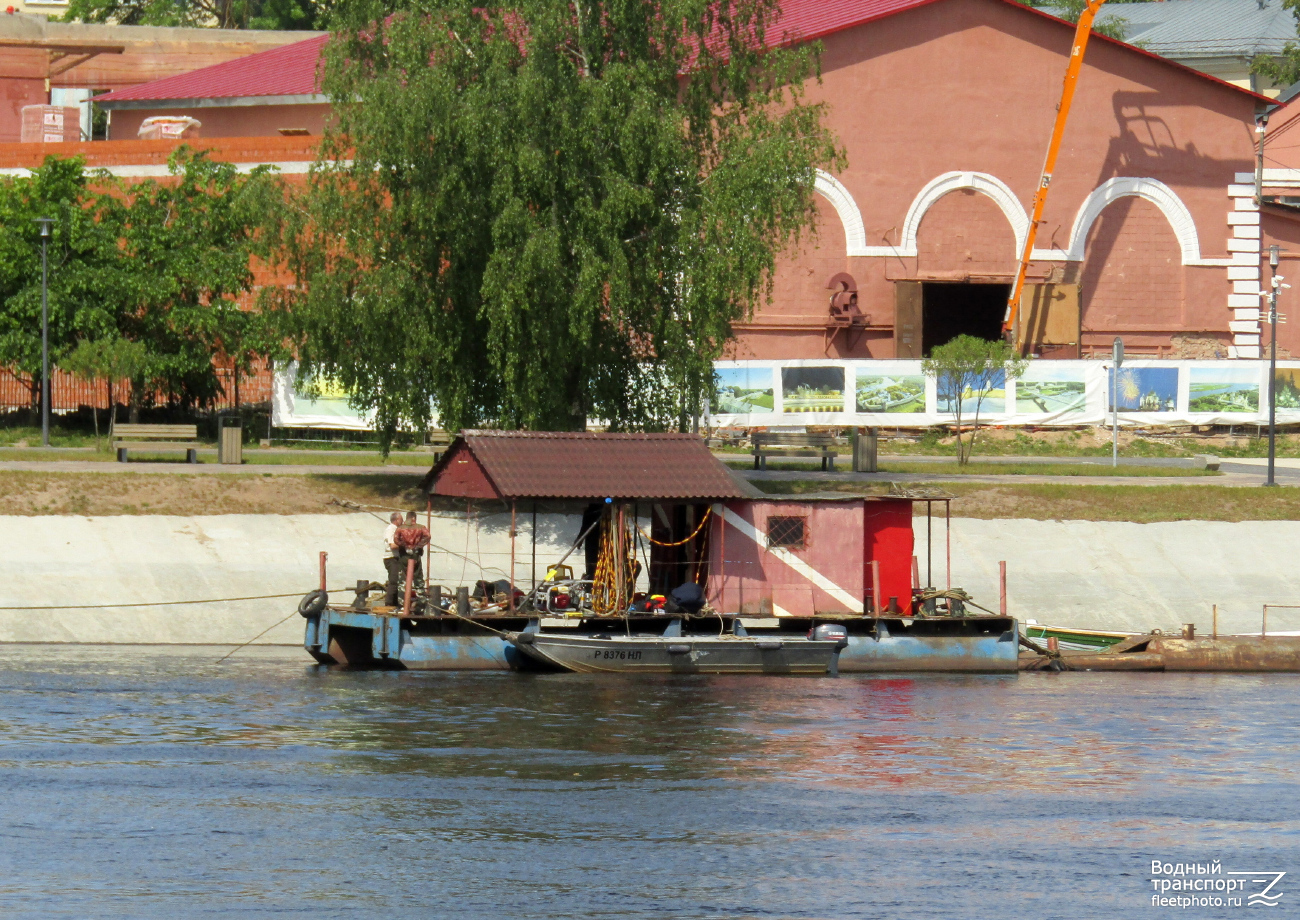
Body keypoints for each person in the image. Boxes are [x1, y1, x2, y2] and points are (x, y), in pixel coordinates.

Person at [393, 511, 431, 603]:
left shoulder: (400, 528)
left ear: (407, 518)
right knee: (418, 577)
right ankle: (421, 601)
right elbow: (428, 536)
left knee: (403, 579)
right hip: (416, 555)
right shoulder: (421, 527)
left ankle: (402, 602)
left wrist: (404, 546)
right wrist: (418, 546)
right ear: (415, 518)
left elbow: (396, 539)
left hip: (404, 556)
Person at [382, 512, 403, 606]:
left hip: (395, 558)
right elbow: (393, 545)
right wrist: (405, 545)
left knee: (397, 580)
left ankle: (395, 603)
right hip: (391, 558)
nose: (402, 521)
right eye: (401, 519)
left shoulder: (396, 529)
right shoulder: (391, 529)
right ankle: (389, 603)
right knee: (393, 580)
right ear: (396, 520)